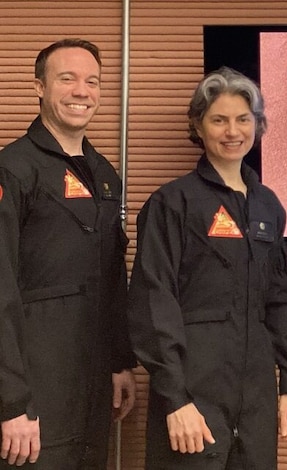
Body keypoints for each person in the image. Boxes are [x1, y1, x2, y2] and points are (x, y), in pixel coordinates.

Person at [127, 66, 287, 469]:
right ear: (198, 125)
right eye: (219, 120)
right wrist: (175, 400)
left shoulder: (268, 207)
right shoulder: (172, 204)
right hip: (193, 397)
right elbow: (153, 302)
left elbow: (281, 301)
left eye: (243, 119)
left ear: (257, 125)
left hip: (256, 400)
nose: (232, 131)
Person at [0, 38, 137, 468]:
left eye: (92, 81)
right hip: (34, 396)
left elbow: (114, 276)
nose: (83, 91)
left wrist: (120, 361)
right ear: (39, 86)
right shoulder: (14, 169)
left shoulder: (104, 175)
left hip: (93, 389)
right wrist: (11, 403)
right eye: (68, 78)